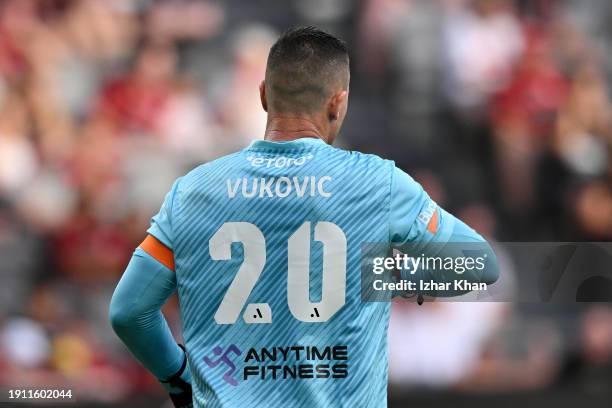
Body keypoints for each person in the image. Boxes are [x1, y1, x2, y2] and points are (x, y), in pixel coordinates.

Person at [109, 26, 498, 408]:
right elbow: (480, 266)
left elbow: (129, 311)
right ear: (338, 103)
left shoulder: (193, 191)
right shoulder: (378, 184)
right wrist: (382, 273)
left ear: (263, 95)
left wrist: (178, 380)